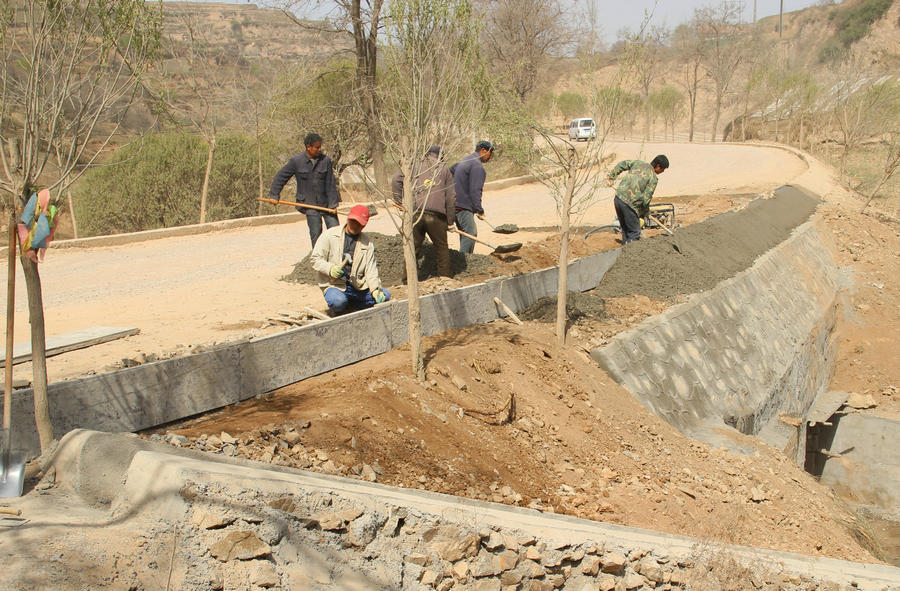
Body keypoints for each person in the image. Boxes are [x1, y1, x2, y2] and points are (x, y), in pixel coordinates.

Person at [310, 204, 390, 315]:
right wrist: (330, 269)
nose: (355, 226)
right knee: (337, 302)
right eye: (353, 221)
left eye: (359, 224)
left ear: (364, 226)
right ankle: (343, 306)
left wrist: (375, 289)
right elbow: (315, 259)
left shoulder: (367, 243)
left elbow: (371, 270)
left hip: (357, 287)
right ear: (348, 218)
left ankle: (353, 304)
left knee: (385, 295)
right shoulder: (330, 235)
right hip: (335, 285)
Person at [391, 145, 457, 278]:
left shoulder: (414, 164)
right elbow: (451, 197)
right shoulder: (443, 168)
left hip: (415, 213)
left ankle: (408, 280)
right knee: (441, 248)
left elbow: (396, 180)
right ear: (440, 155)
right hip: (436, 216)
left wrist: (399, 202)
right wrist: (450, 221)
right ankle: (445, 278)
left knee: (412, 248)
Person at [269, 132, 341, 248]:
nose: (319, 149)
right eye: (317, 147)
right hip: (310, 205)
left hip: (327, 205)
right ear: (308, 147)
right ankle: (318, 260)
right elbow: (280, 177)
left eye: (320, 147)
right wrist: (274, 195)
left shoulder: (325, 161)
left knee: (336, 233)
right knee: (316, 234)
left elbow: (330, 183)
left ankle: (338, 257)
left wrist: (333, 204)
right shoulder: (296, 162)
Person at [606, 154, 669, 244]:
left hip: (618, 199)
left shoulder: (638, 163)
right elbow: (646, 200)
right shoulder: (653, 178)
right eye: (663, 169)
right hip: (630, 205)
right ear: (658, 166)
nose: (662, 172)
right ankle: (631, 254)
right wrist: (644, 213)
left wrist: (611, 177)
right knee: (634, 232)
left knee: (626, 229)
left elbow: (622, 164)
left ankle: (625, 249)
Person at [451, 140, 493, 254]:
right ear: (483, 151)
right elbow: (475, 191)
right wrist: (479, 209)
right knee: (471, 233)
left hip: (454, 203)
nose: (490, 156)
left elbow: (451, 170)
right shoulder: (477, 166)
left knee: (465, 232)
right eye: (490, 153)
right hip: (462, 205)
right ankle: (465, 260)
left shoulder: (466, 159)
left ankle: (464, 258)